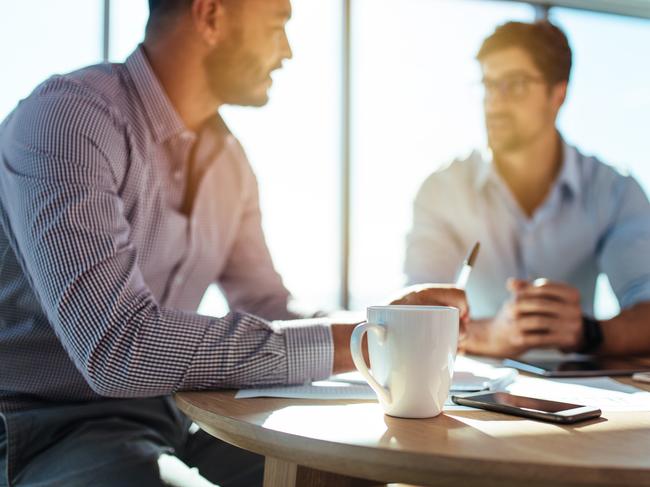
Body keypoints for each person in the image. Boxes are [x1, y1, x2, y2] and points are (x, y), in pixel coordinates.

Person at [0, 0, 467, 485]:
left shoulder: (229, 163)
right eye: (277, 25)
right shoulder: (68, 120)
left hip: (178, 412)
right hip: (42, 430)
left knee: (352, 473)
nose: (286, 51)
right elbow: (117, 348)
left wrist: (381, 325)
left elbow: (267, 305)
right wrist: (358, 343)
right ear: (211, 17)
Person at [405, 20, 650, 359]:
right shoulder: (442, 191)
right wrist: (491, 334)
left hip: (586, 396)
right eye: (489, 86)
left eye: (515, 85)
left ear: (558, 94)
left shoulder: (614, 191)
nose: (494, 103)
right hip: (472, 391)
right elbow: (412, 315)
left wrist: (588, 331)